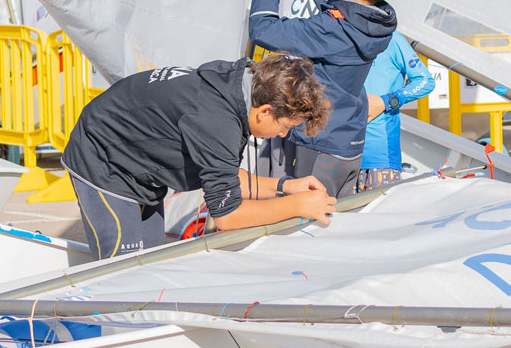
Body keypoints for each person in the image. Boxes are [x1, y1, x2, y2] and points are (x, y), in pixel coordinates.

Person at [61, 52, 335, 260]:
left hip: (139, 165)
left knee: (152, 264)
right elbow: (228, 215)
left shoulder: (240, 89)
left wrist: (284, 186)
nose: (283, 135)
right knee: (124, 271)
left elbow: (222, 176)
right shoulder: (217, 118)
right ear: (264, 111)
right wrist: (298, 206)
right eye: (285, 126)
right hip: (103, 160)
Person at [249, 0, 401, 198]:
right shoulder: (379, 22)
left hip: (319, 144)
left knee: (305, 222)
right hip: (347, 142)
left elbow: (263, 29)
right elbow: (340, 7)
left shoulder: (334, 30)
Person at [358, 33, 436, 191]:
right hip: (336, 155)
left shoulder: (391, 39)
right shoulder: (337, 34)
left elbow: (425, 81)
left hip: (379, 159)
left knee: (379, 216)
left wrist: (387, 101)